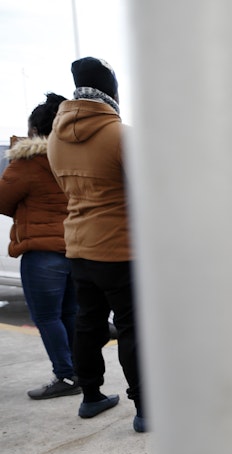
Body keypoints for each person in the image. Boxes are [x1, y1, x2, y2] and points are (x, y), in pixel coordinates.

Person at [47, 57, 146, 432]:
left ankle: (90, 396)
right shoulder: (121, 135)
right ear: (111, 90)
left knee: (87, 323)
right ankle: (145, 407)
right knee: (133, 327)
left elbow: (64, 189)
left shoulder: (55, 137)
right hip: (120, 248)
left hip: (78, 246)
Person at [0, 93, 79, 399]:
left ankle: (66, 375)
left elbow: (3, 200)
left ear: (34, 129)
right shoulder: (74, 156)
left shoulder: (29, 161)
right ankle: (80, 374)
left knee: (47, 317)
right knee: (70, 314)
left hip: (42, 254)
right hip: (74, 247)